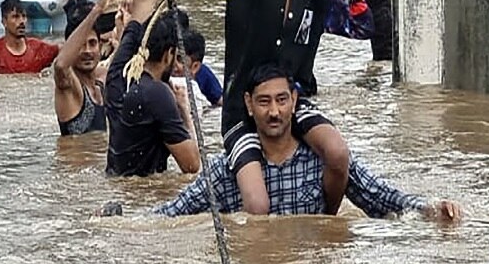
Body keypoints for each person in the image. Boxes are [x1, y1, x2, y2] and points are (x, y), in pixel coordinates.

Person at [191, 0, 374, 216]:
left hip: (293, 104)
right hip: (242, 110)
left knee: (336, 154)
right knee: (257, 205)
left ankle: (323, 220)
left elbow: (363, 24)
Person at [154, 64, 460, 220]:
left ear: (294, 101)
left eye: (281, 100)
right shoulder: (228, 170)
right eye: (263, 102)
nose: (274, 112)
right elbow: (172, 215)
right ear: (248, 104)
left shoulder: (320, 160)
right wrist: (113, 222)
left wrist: (430, 209)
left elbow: (382, 198)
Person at [104, 7, 200, 177]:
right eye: (176, 56)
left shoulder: (119, 75)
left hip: (117, 184)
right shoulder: (157, 93)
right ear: (169, 54)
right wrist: (184, 110)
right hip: (142, 194)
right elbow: (192, 165)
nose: (176, 64)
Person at [53, 0, 108, 136]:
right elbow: (60, 65)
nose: (87, 51)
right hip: (76, 157)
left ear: (100, 47)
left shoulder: (102, 80)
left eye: (92, 43)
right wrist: (96, 11)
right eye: (81, 45)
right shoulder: (68, 86)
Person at [0, 0, 60, 74]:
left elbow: (63, 50)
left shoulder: (38, 49)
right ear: (4, 22)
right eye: (15, 17)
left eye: (24, 16)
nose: (21, 21)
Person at [177, 27, 223, 107]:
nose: (174, 64)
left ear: (195, 66)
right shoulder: (165, 71)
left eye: (180, 60)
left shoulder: (204, 75)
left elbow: (220, 101)